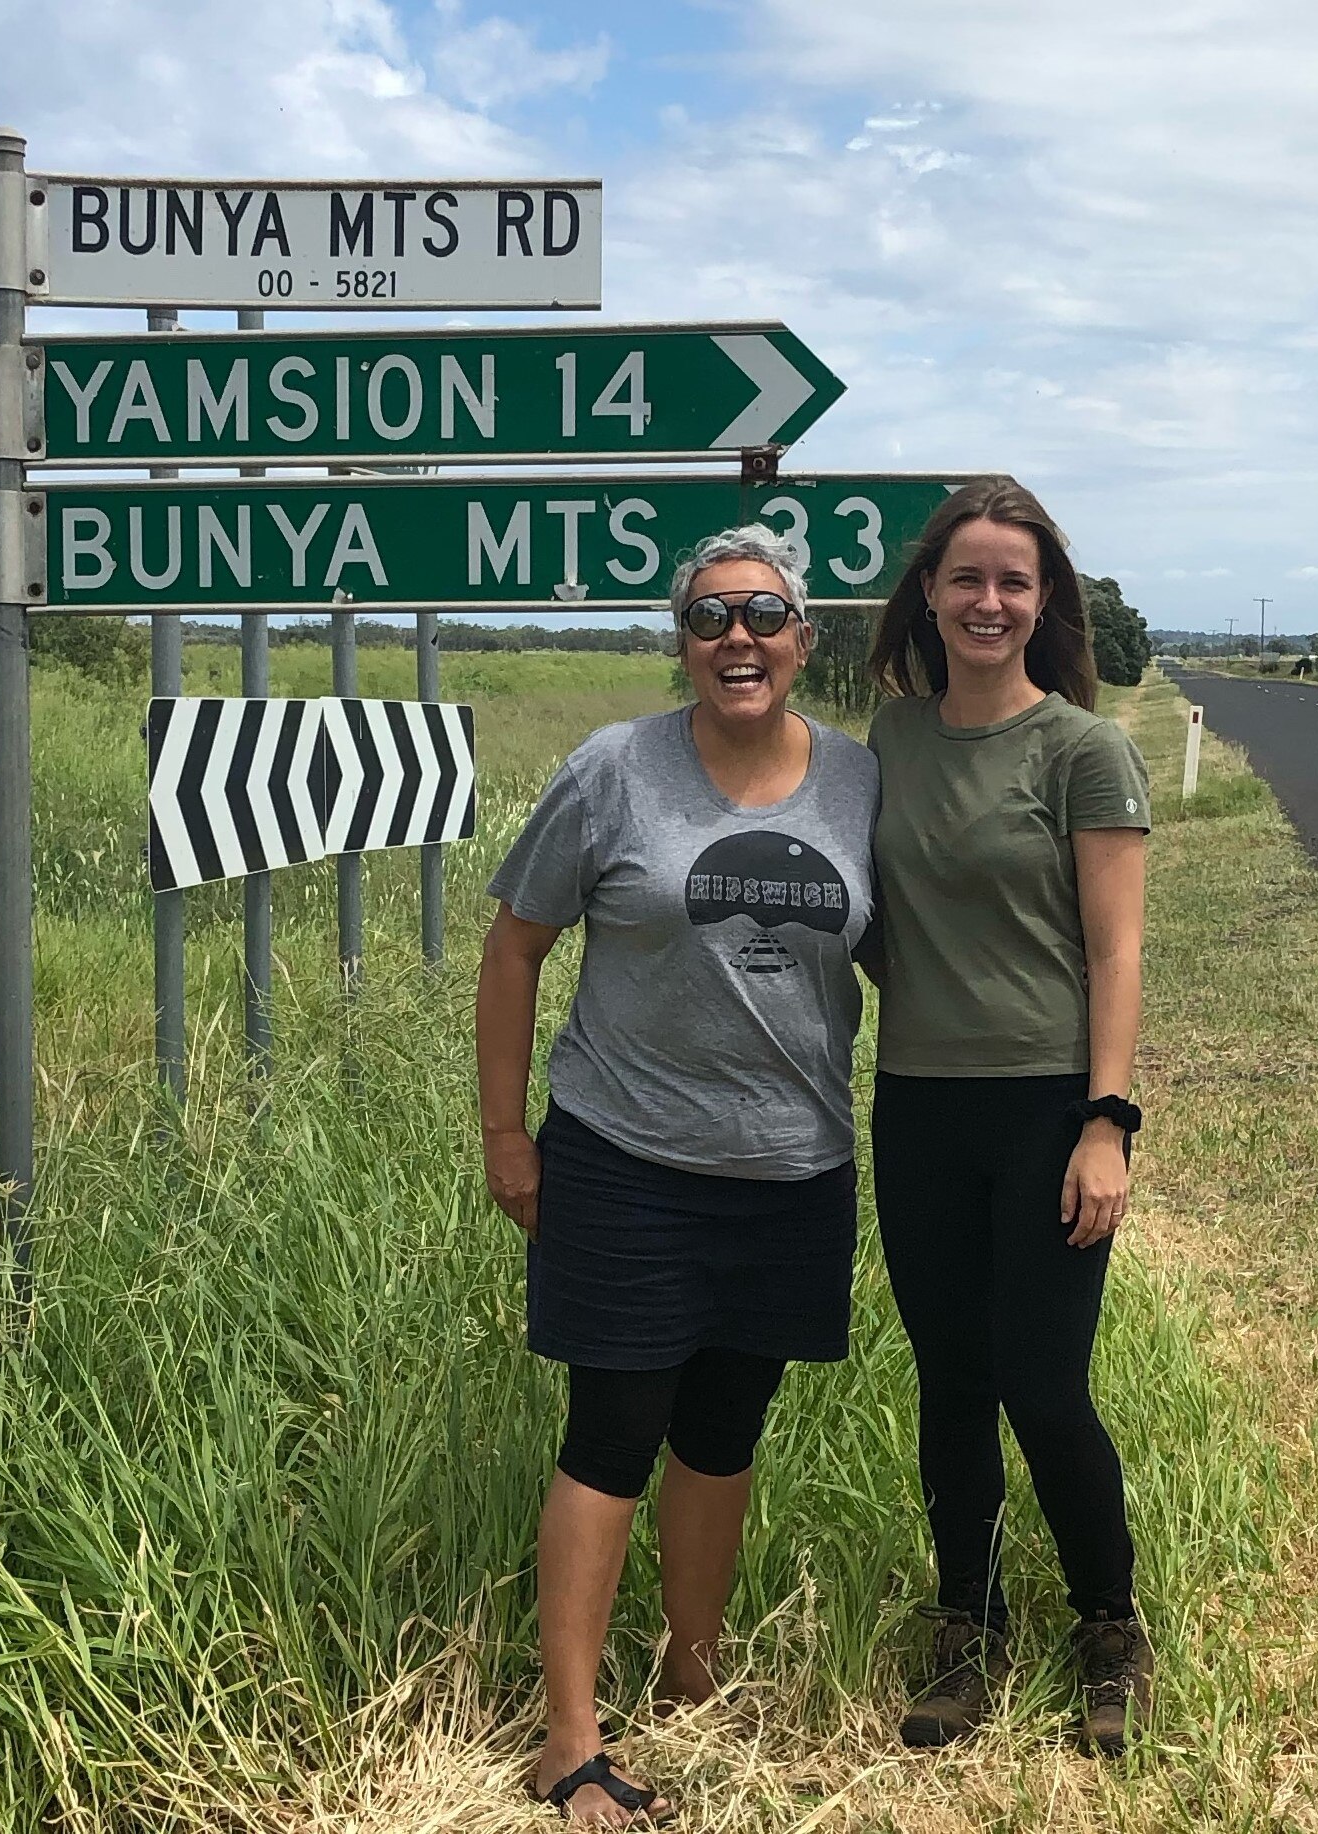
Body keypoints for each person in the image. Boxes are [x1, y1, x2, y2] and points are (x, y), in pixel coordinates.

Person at [476, 525, 879, 1826]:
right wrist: (505, 1133)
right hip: (624, 1162)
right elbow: (512, 948)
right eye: (709, 619)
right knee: (612, 1435)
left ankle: (696, 1684)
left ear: (805, 638)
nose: (737, 639)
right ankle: (572, 1739)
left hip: (792, 1169)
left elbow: (919, 960)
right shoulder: (613, 774)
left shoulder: (863, 786)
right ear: (681, 642)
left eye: (763, 614)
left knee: (722, 1435)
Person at [860, 477, 1155, 1755]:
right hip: (916, 1101)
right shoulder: (886, 743)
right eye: (967, 578)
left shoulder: (1082, 749)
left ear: (1046, 605)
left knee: (1042, 1383)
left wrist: (1106, 1121)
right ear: (928, 592)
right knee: (950, 1381)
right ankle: (966, 1626)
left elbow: (1117, 950)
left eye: (1014, 582)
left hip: (1046, 1106)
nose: (989, 601)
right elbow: (877, 919)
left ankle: (1107, 1623)